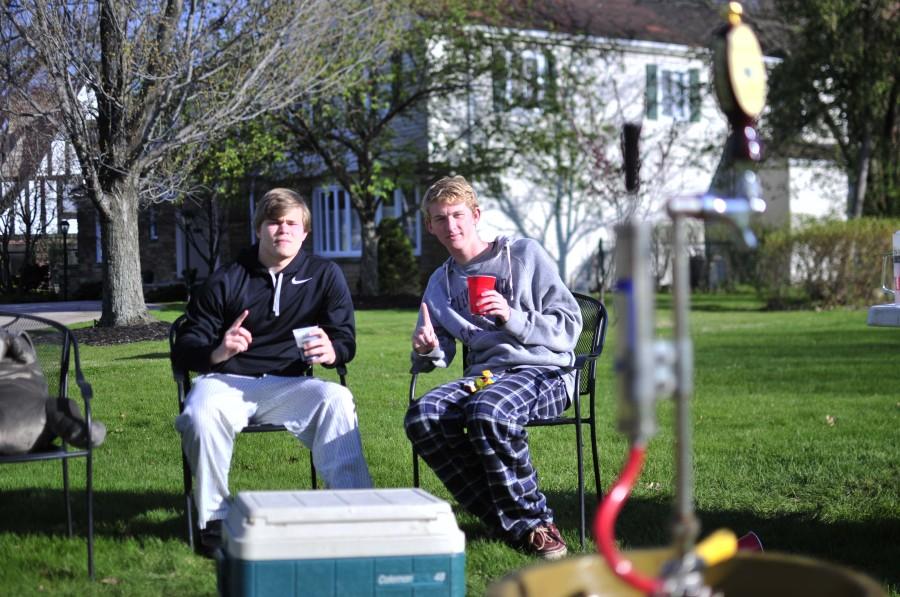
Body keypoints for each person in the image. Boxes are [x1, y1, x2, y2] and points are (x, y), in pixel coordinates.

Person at [173, 188, 372, 553]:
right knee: (200, 412)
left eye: (291, 223)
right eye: (274, 222)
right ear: (259, 229)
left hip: (291, 384)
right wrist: (218, 350)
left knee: (337, 397)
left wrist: (332, 351)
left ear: (305, 231)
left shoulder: (324, 275)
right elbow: (185, 348)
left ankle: (356, 510)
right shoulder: (227, 279)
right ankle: (214, 518)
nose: (283, 230)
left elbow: (345, 339)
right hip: (226, 382)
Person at [405, 175, 582, 560]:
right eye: (440, 219)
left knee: (490, 411)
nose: (450, 225)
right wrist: (427, 350)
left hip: (546, 372)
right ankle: (509, 521)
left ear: (476, 215)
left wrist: (512, 318)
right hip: (488, 376)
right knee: (423, 415)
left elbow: (570, 326)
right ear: (430, 227)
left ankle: (537, 524)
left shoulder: (524, 255)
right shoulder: (440, 282)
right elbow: (441, 355)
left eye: (457, 215)